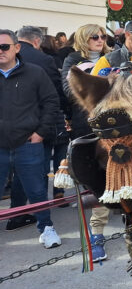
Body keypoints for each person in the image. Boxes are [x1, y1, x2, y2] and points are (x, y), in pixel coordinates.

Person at [0, 29, 61, 248]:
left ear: (17, 48)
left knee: (36, 190)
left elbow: (51, 102)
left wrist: (40, 133)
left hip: (28, 143)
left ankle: (46, 228)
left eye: (4, 47)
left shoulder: (35, 73)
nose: (0, 52)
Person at [61, 24, 111, 261]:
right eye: (94, 36)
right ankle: (97, 234)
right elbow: (69, 92)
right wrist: (95, 78)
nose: (100, 40)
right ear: (83, 38)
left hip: (114, 124)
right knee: (98, 179)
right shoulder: (72, 60)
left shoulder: (111, 57)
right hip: (87, 125)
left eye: (103, 36)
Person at [16, 27, 70, 203]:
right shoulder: (44, 59)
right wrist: (66, 113)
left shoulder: (7, 57)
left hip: (13, 122)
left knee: (19, 166)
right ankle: (40, 203)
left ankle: (19, 210)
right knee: (42, 161)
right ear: (37, 41)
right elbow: (56, 91)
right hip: (41, 120)